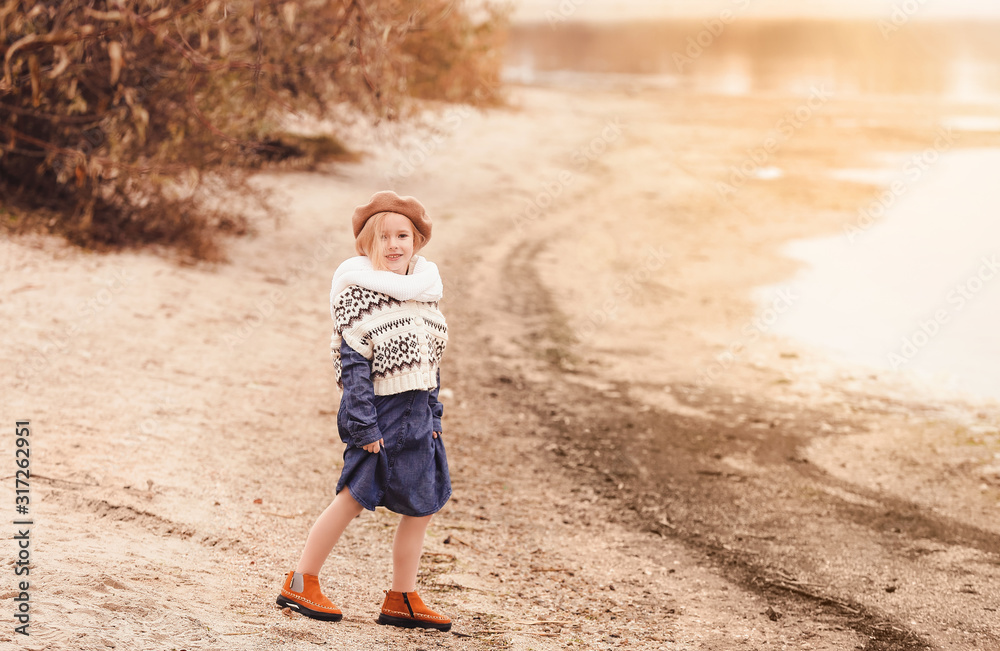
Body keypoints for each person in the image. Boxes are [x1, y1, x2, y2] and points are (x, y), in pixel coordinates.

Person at [275, 191, 452, 632]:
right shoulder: (358, 295)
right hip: (379, 415)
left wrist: (433, 416)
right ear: (366, 245)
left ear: (417, 241)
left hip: (417, 417)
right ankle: (301, 580)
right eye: (384, 237)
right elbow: (353, 369)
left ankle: (402, 596)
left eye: (403, 236)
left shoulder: (424, 293)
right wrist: (363, 425)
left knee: (422, 505)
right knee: (353, 497)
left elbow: (430, 363)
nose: (394, 245)